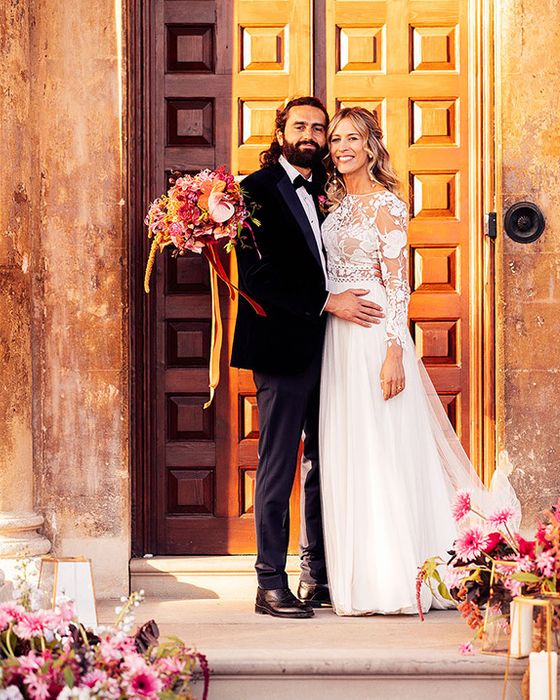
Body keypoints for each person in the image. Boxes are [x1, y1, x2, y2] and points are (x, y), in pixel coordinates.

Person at [318, 107, 520, 615]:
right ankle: (360, 578)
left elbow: (398, 284)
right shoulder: (333, 208)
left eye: (352, 139)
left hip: (374, 339)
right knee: (349, 451)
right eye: (336, 139)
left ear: (370, 147)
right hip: (337, 340)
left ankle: (398, 577)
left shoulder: (387, 206)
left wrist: (393, 351)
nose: (341, 147)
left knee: (382, 450)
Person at [230, 97, 385, 619]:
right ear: (281, 132)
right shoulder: (251, 192)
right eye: (302, 126)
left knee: (326, 461)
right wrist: (326, 302)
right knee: (279, 464)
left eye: (321, 128)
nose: (313, 135)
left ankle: (315, 572)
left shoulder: (330, 190)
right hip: (281, 348)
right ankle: (268, 581)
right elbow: (256, 278)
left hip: (336, 350)